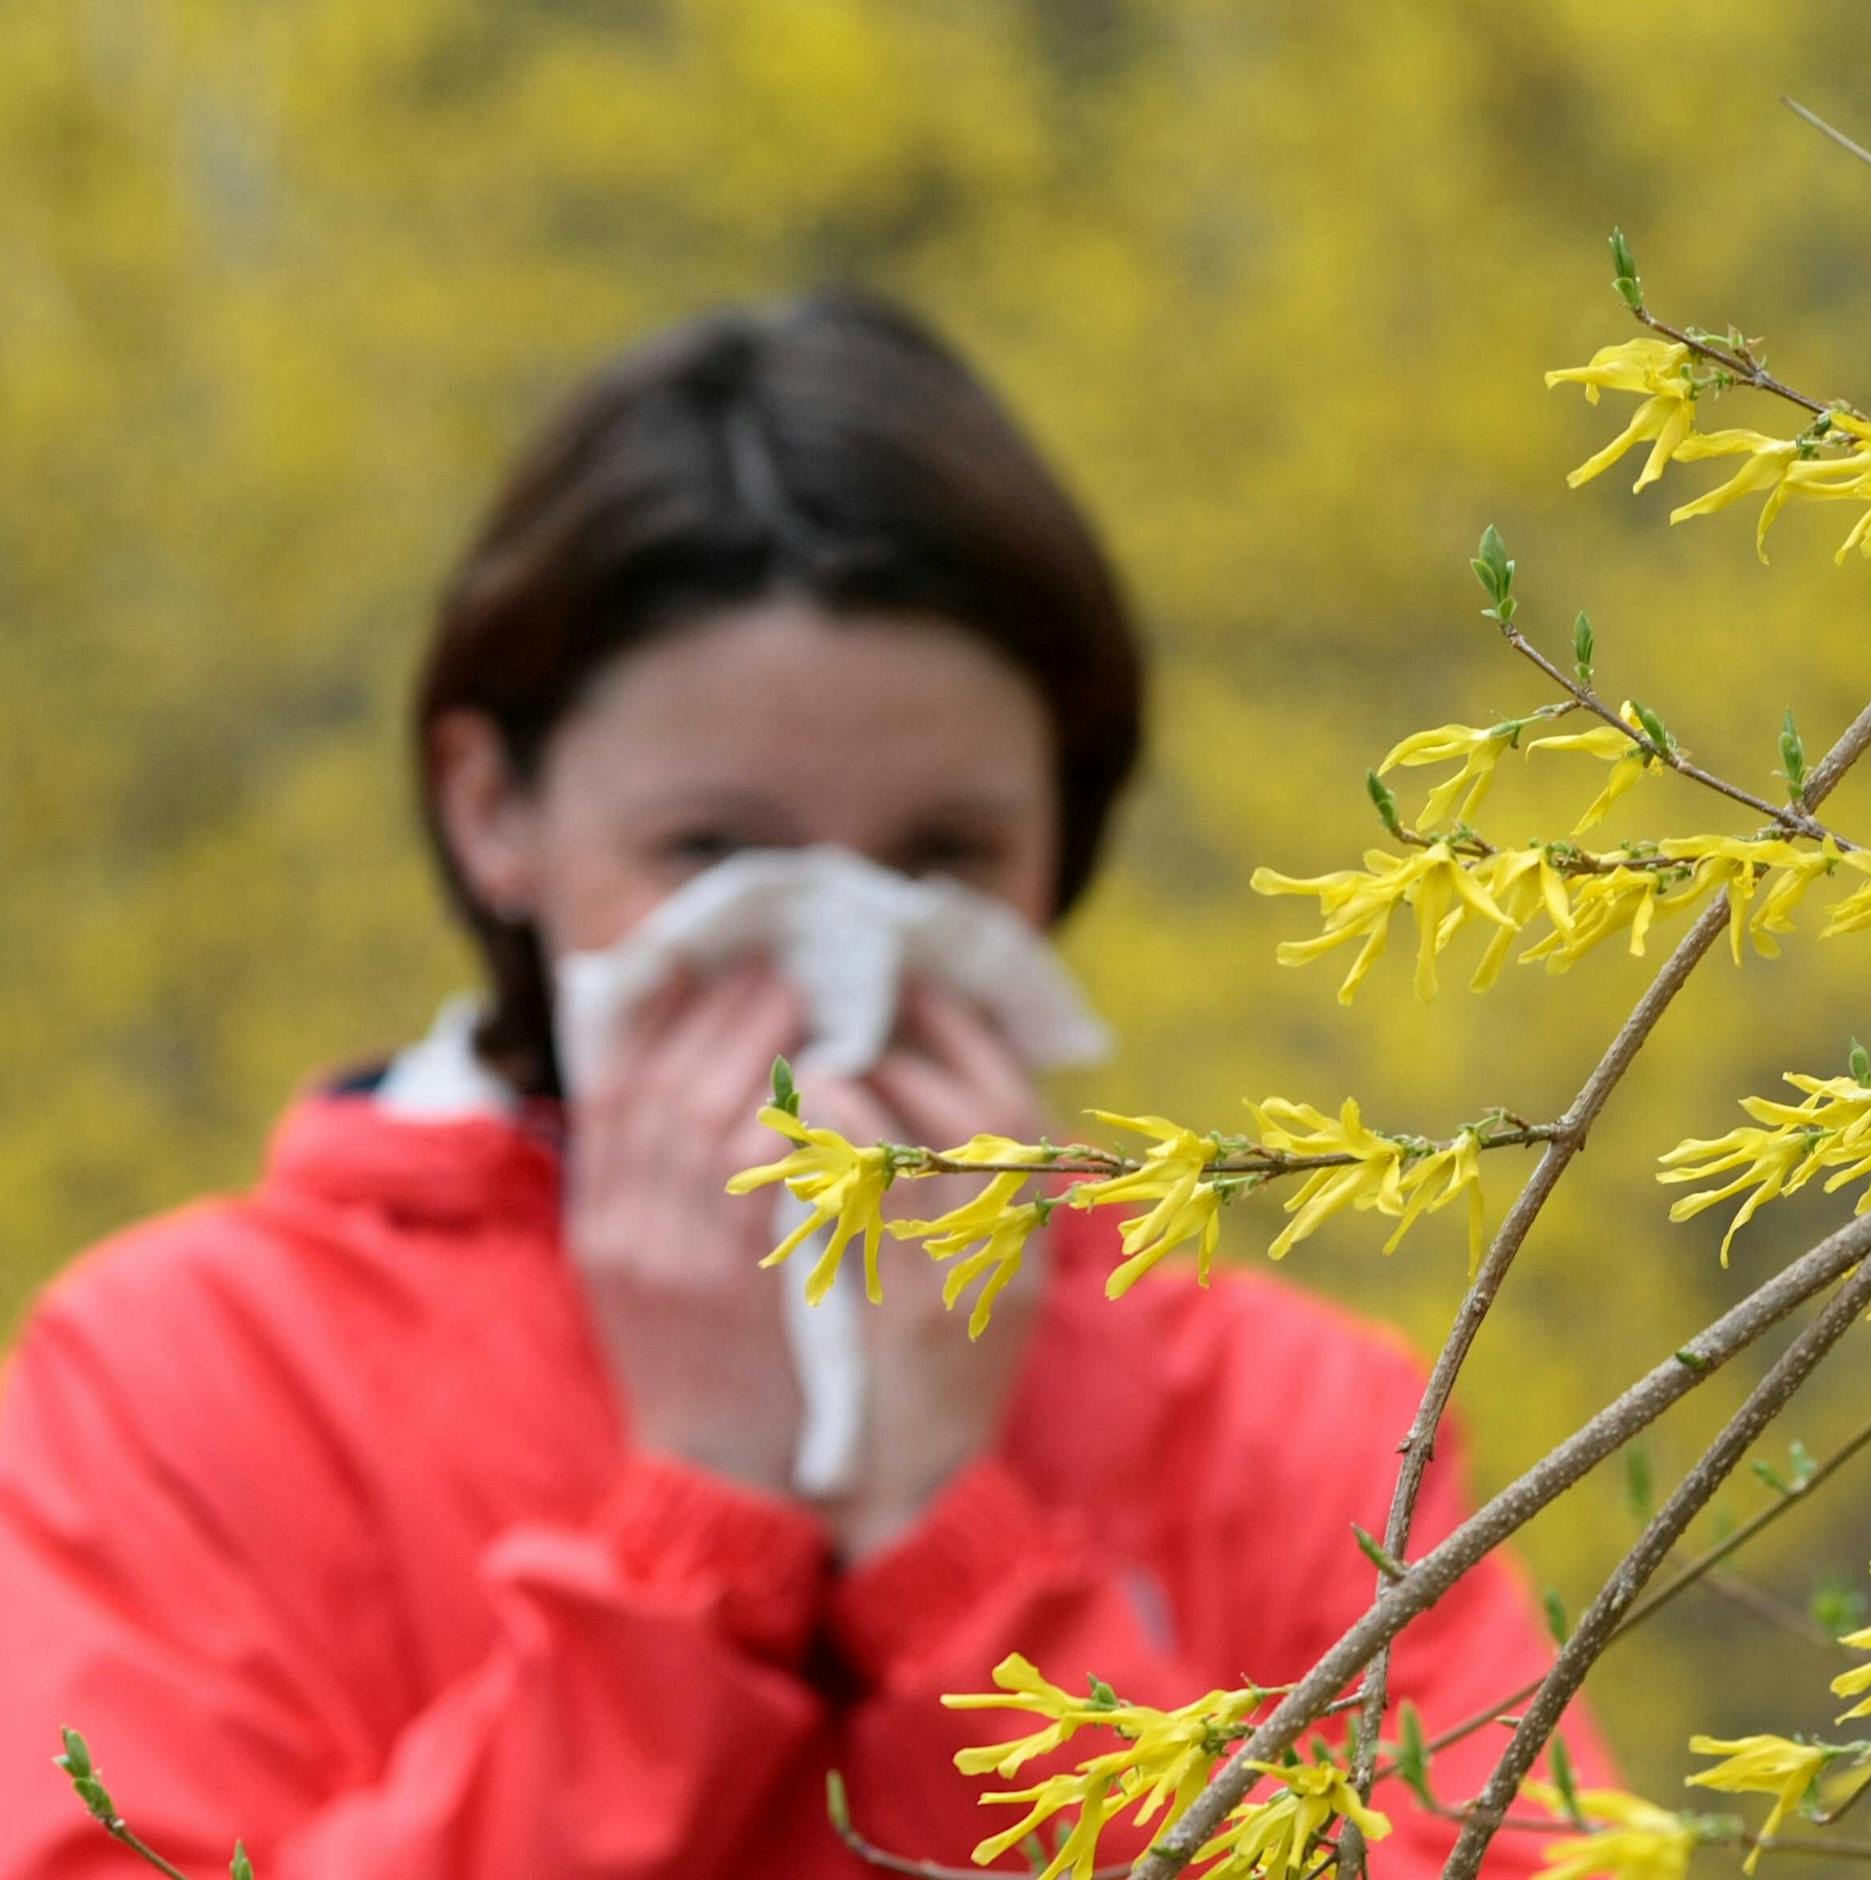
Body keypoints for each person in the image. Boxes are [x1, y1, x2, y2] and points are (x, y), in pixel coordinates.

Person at [0, 293, 1605, 1878]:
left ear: (1066, 835)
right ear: (494, 809)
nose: (840, 953)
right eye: (718, 853)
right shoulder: (180, 1384)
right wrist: (685, 1535)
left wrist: (965, 1569)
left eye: (944, 856)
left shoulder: (1292, 1423)